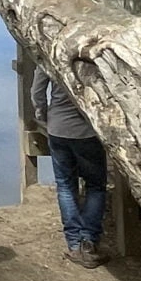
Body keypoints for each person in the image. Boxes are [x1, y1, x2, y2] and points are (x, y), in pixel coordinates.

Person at [38, 66, 108, 267]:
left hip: (58, 129)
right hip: (88, 132)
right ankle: (89, 242)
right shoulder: (95, 55)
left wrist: (43, 114)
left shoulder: (49, 51)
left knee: (65, 186)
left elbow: (37, 90)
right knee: (95, 186)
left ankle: (74, 244)